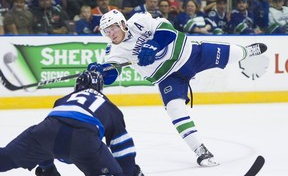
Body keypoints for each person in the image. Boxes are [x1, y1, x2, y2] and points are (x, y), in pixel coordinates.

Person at [87, 9, 269, 167]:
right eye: (106, 31)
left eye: (112, 28)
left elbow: (168, 31)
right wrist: (101, 72)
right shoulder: (114, 51)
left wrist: (153, 44)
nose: (110, 34)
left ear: (122, 23)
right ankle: (200, 150)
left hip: (189, 55)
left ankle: (247, 52)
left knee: (234, 53)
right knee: (175, 109)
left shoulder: (139, 20)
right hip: (168, 78)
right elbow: (112, 74)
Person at [0, 70, 148, 176]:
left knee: (5, 157)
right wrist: (132, 175)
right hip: (83, 141)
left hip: (46, 131)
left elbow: (47, 141)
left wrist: (48, 172)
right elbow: (122, 146)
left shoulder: (62, 100)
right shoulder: (110, 108)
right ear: (101, 89)